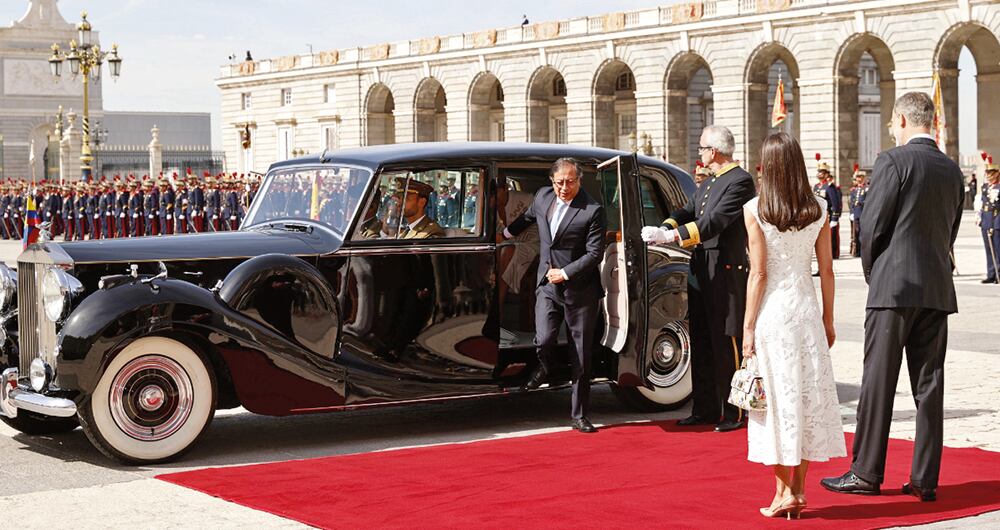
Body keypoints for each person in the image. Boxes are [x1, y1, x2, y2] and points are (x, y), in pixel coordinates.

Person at [822, 92, 965, 503]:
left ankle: (866, 472)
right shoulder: (952, 170)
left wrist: (874, 273)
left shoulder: (893, 161)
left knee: (879, 382)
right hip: (936, 289)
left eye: (890, 122)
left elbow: (872, 227)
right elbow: (950, 232)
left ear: (901, 119)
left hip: (893, 288)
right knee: (929, 387)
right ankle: (925, 479)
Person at [742, 132, 846, 519]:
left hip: (772, 315)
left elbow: (759, 274)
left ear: (767, 166)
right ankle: (799, 490)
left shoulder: (754, 209)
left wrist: (748, 327)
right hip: (805, 313)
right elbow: (828, 270)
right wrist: (828, 318)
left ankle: (781, 491)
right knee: (803, 398)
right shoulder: (818, 207)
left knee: (772, 401)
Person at [642, 125, 756, 433]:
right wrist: (663, 226)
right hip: (701, 266)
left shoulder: (740, 181)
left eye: (702, 148)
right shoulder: (710, 183)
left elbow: (714, 221)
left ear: (715, 150)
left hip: (724, 269)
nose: (700, 153)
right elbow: (688, 210)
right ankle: (705, 408)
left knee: (724, 340)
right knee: (702, 341)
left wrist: (671, 237)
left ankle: (735, 411)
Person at [503, 158, 607, 433]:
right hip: (547, 285)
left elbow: (595, 253)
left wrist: (566, 273)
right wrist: (504, 233)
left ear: (579, 181)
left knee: (581, 355)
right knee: (544, 338)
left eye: (570, 182)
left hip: (580, 289)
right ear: (551, 181)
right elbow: (527, 218)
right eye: (560, 182)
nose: (564, 187)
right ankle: (547, 367)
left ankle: (579, 415)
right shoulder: (542, 197)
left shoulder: (592, 210)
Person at [813, 160, 842, 259]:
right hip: (818, 217)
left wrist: (834, 218)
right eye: (819, 171)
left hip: (827, 216)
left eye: (821, 172)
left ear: (826, 174)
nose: (819, 174)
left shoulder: (829, 187)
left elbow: (835, 203)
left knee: (827, 241)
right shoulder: (816, 187)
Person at [977, 160, 999, 283]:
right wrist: (979, 216)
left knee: (997, 248)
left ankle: (998, 273)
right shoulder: (985, 187)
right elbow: (983, 203)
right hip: (986, 219)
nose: (988, 176)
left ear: (996, 173)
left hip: (996, 219)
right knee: (988, 249)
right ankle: (991, 273)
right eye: (987, 173)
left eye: (991, 173)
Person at [849, 169, 868, 258]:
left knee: (863, 233)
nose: (858, 179)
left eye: (860, 177)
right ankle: (857, 251)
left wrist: (862, 203)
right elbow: (851, 202)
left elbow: (869, 201)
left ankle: (863, 251)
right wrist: (851, 212)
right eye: (857, 177)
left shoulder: (867, 188)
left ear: (864, 178)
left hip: (864, 213)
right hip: (856, 214)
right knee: (856, 233)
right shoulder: (855, 189)